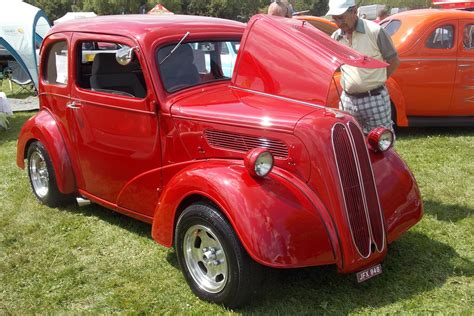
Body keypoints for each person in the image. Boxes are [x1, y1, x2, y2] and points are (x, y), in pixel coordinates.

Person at [327, 0, 400, 134]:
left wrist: (378, 81)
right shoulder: (336, 37)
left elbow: (394, 60)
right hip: (347, 101)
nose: (339, 23)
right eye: (335, 18)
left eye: (341, 17)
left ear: (354, 11)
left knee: (380, 144)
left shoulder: (375, 31)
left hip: (375, 99)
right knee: (351, 144)